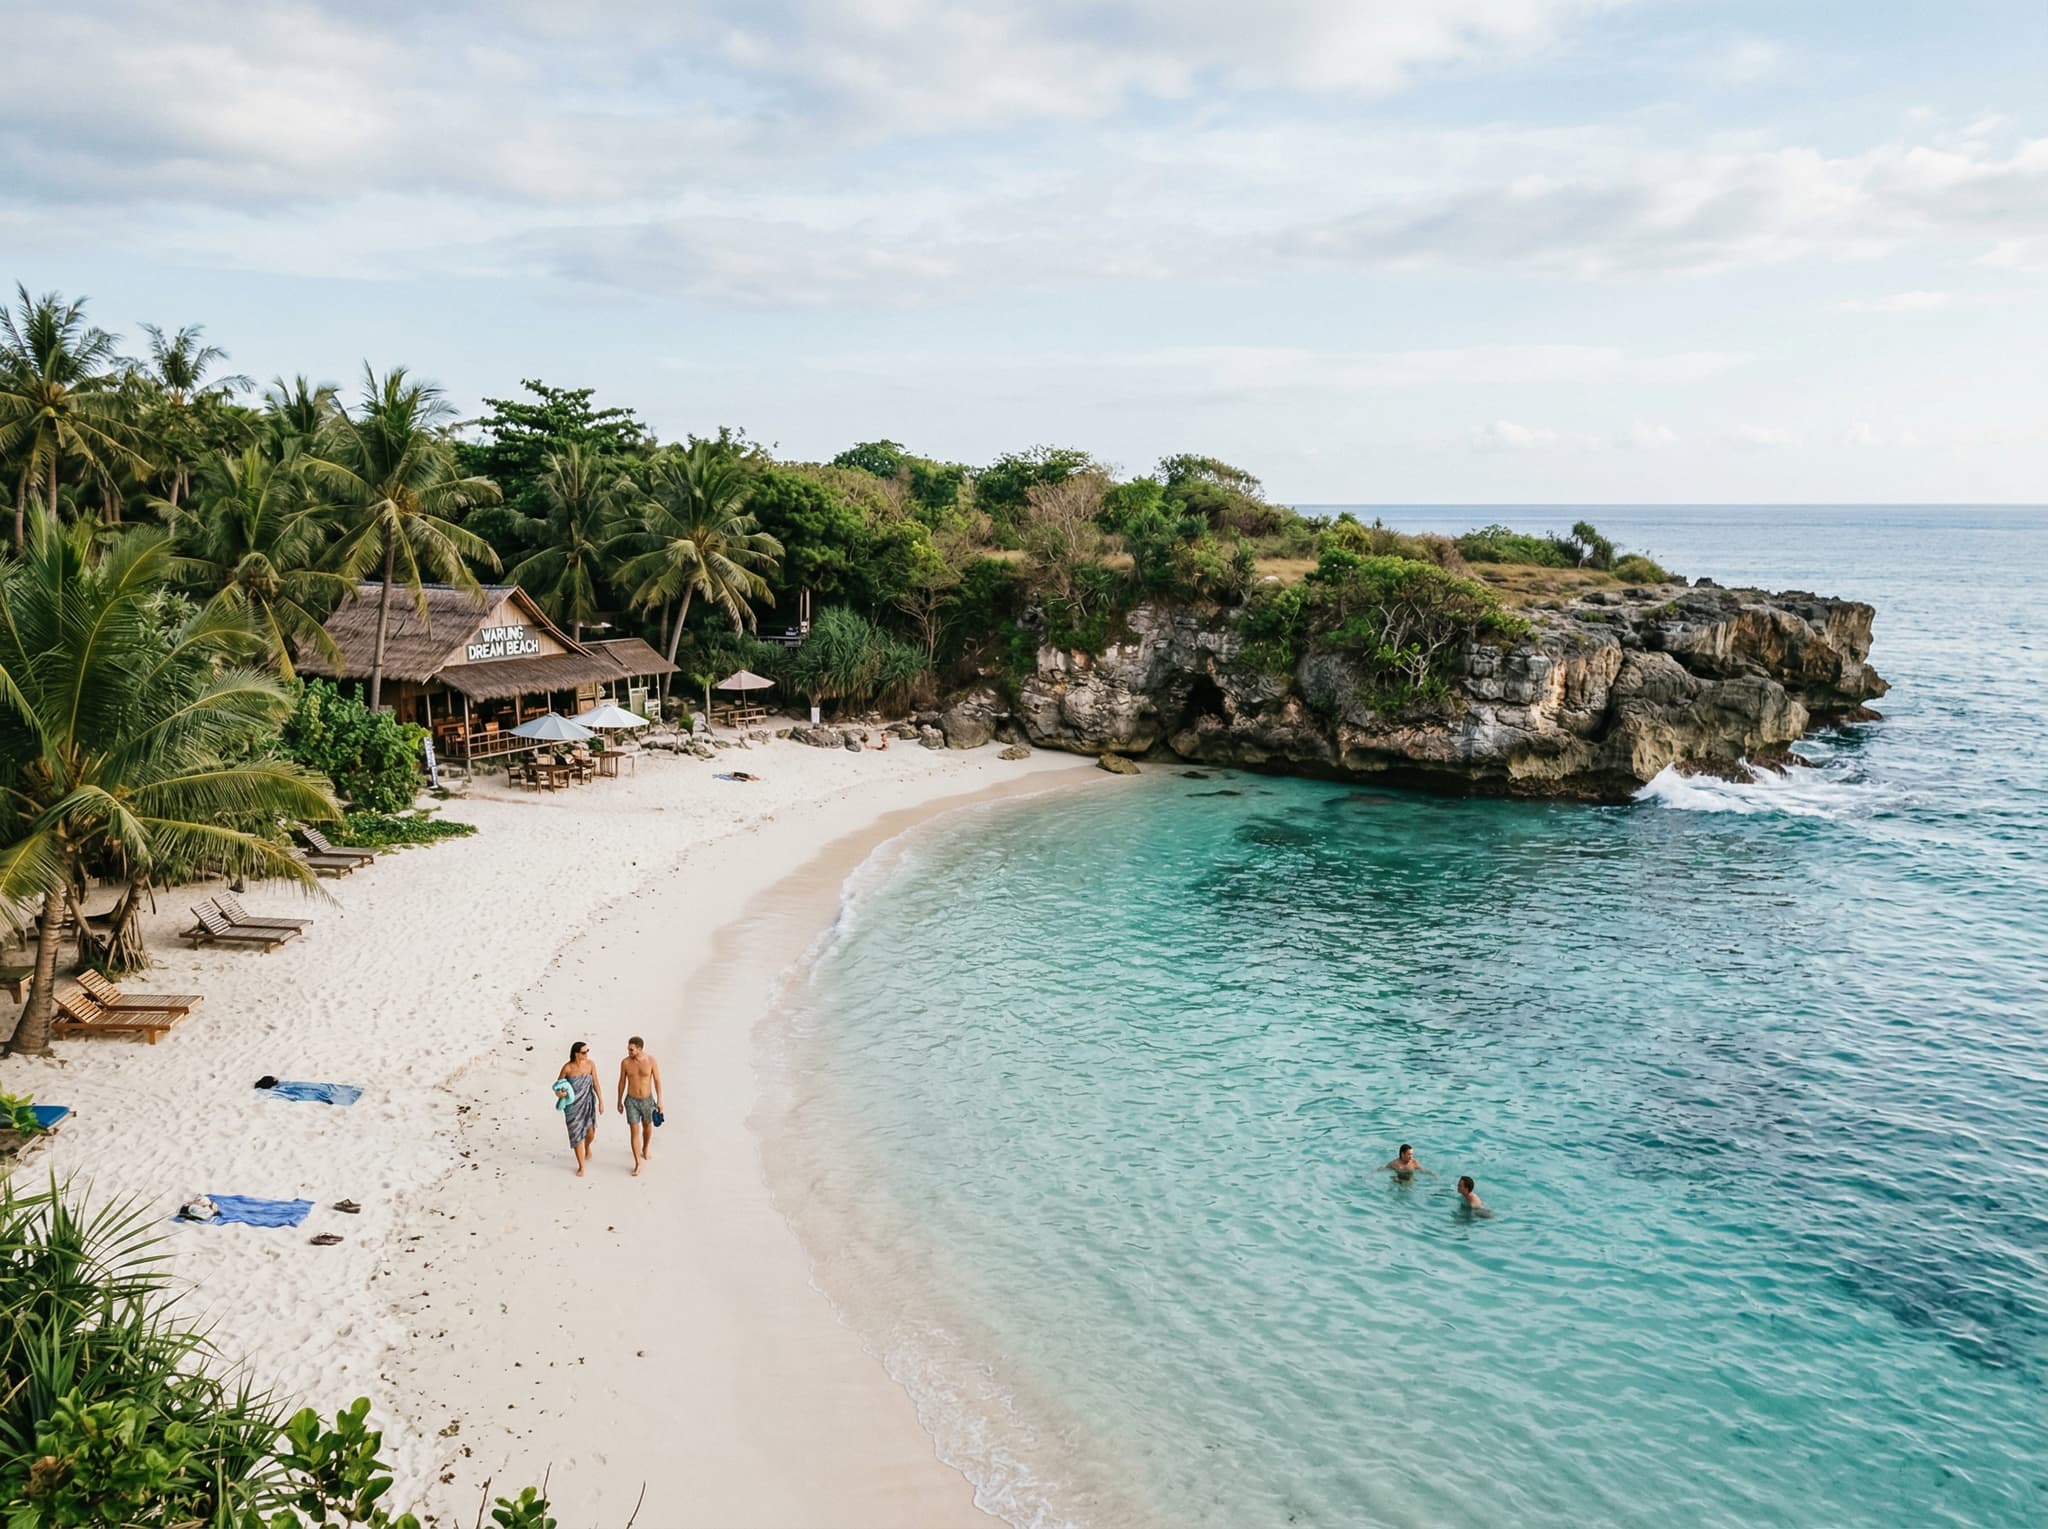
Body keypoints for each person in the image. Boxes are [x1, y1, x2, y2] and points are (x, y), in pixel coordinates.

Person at [618, 1035, 664, 1177]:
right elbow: (621, 1082)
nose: (629, 1052)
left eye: (631, 1049)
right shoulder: (625, 1062)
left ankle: (645, 1148)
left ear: (639, 1048)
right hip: (631, 1101)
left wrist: (660, 1100)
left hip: (647, 1100)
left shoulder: (650, 1060)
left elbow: (657, 1080)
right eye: (628, 1049)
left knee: (647, 1127)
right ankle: (638, 1163)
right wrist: (619, 1100)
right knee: (634, 1131)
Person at [557, 1041, 602, 1177]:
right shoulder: (567, 1068)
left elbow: (596, 1083)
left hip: (587, 1103)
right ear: (576, 1054)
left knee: (591, 1133)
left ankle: (587, 1147)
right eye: (584, 1052)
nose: (587, 1054)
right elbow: (558, 1086)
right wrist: (560, 1094)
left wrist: (601, 1101)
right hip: (572, 1107)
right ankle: (581, 1166)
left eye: (588, 1051)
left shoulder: (590, 1065)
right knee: (577, 1135)